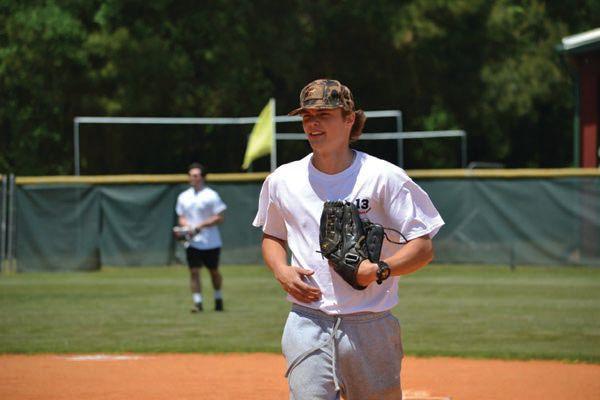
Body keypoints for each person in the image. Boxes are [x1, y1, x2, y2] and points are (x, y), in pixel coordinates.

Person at [252, 79, 444, 399]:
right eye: (307, 116)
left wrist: (379, 270)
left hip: (370, 324)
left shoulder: (384, 177)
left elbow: (423, 248)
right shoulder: (282, 179)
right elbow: (272, 235)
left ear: (349, 119)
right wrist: (280, 270)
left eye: (324, 115)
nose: (313, 123)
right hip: (307, 320)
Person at [176, 162, 227, 312]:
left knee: (213, 271)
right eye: (191, 175)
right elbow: (181, 217)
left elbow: (219, 217)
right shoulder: (183, 196)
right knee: (194, 271)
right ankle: (198, 303)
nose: (193, 178)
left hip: (211, 242)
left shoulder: (211, 195)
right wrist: (188, 227)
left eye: (196, 175)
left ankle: (218, 298)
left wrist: (200, 226)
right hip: (192, 242)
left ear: (203, 177)